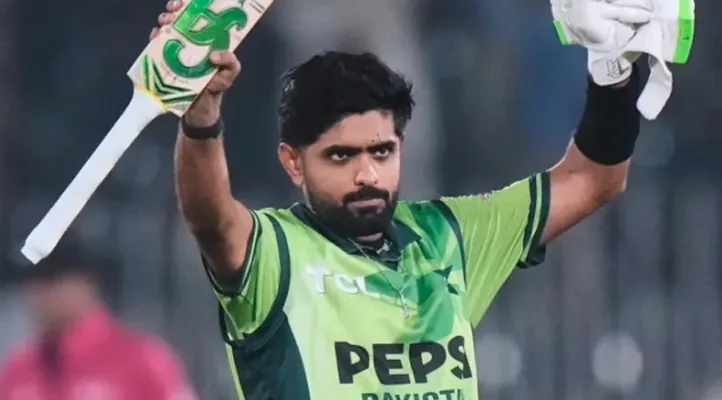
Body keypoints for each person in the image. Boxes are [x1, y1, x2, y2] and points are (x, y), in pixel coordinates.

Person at [155, 0, 645, 398]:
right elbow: (211, 219)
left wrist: (614, 75)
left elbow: (595, 179)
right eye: (341, 156)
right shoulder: (276, 252)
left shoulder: (449, 236)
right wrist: (201, 120)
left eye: (382, 151)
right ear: (293, 162)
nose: (366, 174)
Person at [0, 241, 196, 400]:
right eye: (31, 283)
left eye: (50, 282)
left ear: (87, 283)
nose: (38, 296)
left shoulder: (140, 359)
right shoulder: (19, 368)